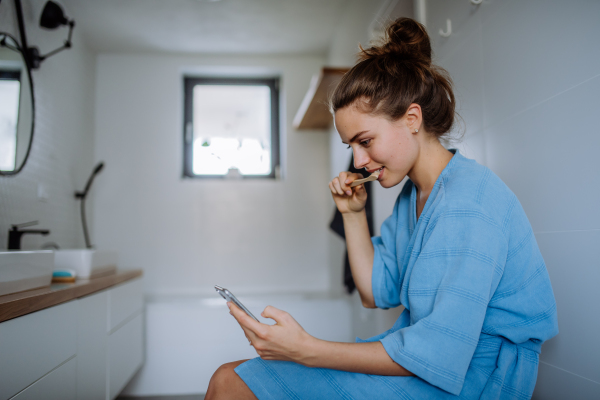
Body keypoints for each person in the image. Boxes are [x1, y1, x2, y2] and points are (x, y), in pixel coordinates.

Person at [205, 17, 558, 400]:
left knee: (231, 381)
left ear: (411, 119)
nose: (358, 161)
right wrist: (353, 214)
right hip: (429, 363)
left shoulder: (468, 203)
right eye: (351, 147)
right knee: (231, 377)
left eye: (366, 140)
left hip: (475, 379)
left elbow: (441, 353)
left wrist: (307, 350)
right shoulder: (415, 197)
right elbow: (376, 293)